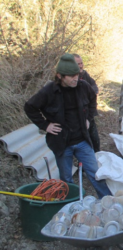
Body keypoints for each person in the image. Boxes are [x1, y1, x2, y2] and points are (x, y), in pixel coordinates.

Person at [24, 53, 111, 198]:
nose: (75, 78)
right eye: (71, 76)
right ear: (60, 76)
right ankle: (70, 207)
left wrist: (89, 118)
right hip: (62, 143)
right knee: (66, 181)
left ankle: (108, 201)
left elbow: (92, 100)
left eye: (77, 74)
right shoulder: (49, 91)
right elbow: (29, 107)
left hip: (82, 140)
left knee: (96, 174)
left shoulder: (83, 86)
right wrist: (45, 125)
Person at [73, 53, 101, 152]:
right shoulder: (69, 79)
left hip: (88, 114)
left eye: (81, 63)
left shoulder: (85, 75)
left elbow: (94, 86)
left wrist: (89, 93)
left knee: (95, 139)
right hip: (77, 117)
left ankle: (97, 156)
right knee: (84, 140)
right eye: (78, 64)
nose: (81, 66)